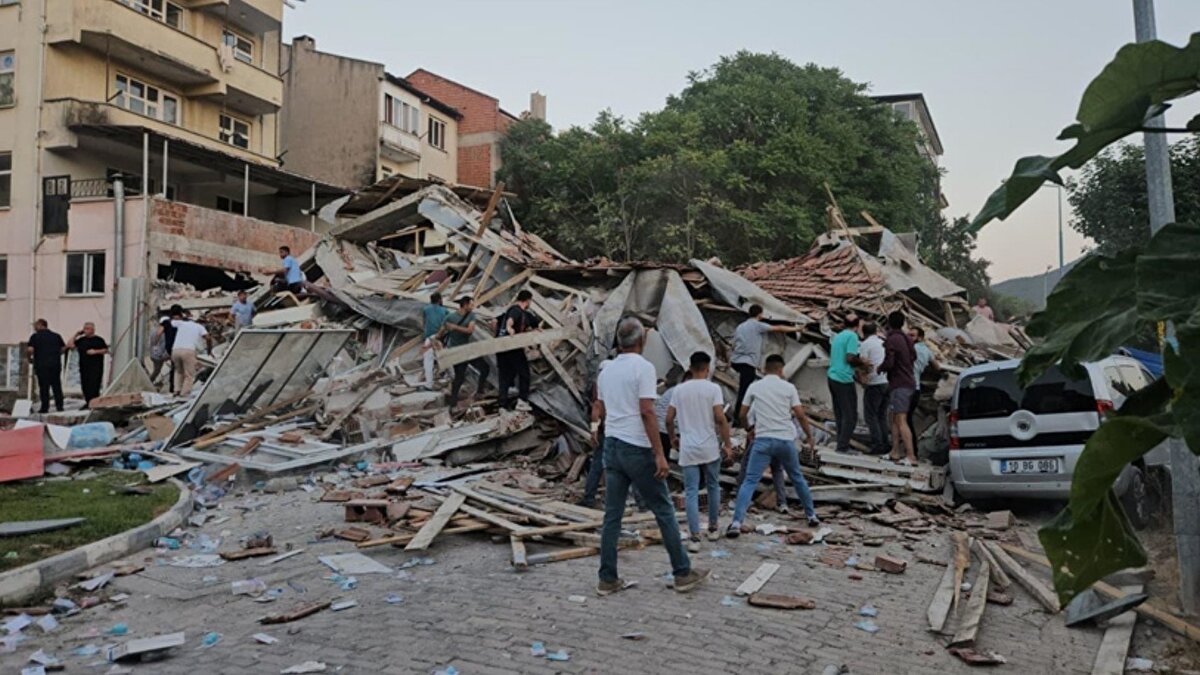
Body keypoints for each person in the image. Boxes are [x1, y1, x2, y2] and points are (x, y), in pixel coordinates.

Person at [594, 317, 708, 596]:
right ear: (641, 341)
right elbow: (647, 411)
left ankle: (607, 578)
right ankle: (682, 571)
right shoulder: (643, 368)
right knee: (663, 509)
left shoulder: (606, 371)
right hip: (637, 447)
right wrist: (659, 454)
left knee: (612, 515)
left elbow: (602, 407)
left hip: (613, 444)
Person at [728, 354, 820, 536]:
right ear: (780, 369)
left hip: (763, 440)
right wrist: (809, 436)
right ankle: (811, 515)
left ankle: (737, 522)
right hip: (785, 440)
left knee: (749, 481)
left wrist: (749, 429)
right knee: (797, 478)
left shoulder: (755, 386)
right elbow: (800, 415)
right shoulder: (788, 387)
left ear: (764, 369)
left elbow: (742, 413)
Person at [666, 352, 733, 552]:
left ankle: (694, 536)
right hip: (709, 446)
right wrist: (728, 443)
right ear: (707, 367)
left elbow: (669, 419)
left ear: (690, 366)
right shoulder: (713, 389)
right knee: (713, 486)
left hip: (688, 447)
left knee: (691, 491)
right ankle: (713, 528)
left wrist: (672, 438)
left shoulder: (679, 390)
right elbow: (720, 418)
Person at [579, 357, 649, 511]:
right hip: (622, 431)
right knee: (632, 466)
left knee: (599, 465)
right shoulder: (618, 384)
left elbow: (597, 408)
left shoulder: (602, 384)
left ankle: (590, 498)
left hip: (609, 431)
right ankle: (642, 503)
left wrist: (594, 429)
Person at [730, 304, 801, 427]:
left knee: (744, 389)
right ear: (760, 314)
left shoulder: (740, 327)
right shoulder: (757, 325)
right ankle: (739, 420)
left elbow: (733, 344)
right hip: (748, 362)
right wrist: (796, 329)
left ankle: (741, 418)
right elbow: (778, 328)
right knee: (744, 392)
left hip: (736, 361)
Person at [879, 311, 918, 466]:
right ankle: (894, 452)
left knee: (901, 420)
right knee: (894, 419)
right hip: (907, 383)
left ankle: (911, 456)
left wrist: (879, 368)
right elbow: (913, 357)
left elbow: (889, 362)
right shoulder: (906, 339)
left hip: (900, 384)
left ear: (888, 323)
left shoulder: (892, 339)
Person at [440, 296, 489, 405]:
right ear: (465, 305)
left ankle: (480, 391)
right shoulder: (450, 317)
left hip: (467, 349)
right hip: (456, 351)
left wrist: (455, 327)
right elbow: (441, 332)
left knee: (485, 368)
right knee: (460, 377)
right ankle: (453, 402)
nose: (472, 307)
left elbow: (470, 330)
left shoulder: (471, 315)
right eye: (471, 304)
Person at [827, 313, 865, 454]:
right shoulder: (852, 336)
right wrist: (863, 362)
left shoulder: (838, 336)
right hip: (843, 379)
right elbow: (850, 358)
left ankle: (840, 443)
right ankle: (842, 447)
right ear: (857, 325)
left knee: (840, 414)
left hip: (832, 376)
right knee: (850, 416)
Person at [496, 290, 536, 411]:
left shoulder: (519, 312)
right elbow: (510, 321)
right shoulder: (516, 310)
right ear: (528, 300)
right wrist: (510, 328)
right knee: (524, 374)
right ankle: (522, 401)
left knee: (505, 376)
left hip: (501, 347)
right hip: (512, 347)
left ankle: (502, 405)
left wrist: (533, 331)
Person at [859, 322, 890, 455]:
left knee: (871, 415)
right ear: (876, 331)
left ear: (863, 332)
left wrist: (863, 377)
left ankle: (877, 445)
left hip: (875, 383)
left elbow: (864, 363)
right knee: (882, 415)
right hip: (887, 381)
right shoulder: (882, 342)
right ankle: (886, 443)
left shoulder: (865, 344)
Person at [907, 326, 939, 443]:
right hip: (916, 389)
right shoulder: (927, 350)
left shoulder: (910, 349)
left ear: (919, 338)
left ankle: (909, 447)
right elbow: (937, 367)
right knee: (907, 420)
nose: (909, 338)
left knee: (902, 420)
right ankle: (912, 447)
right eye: (908, 335)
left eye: (912, 335)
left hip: (907, 388)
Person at [170, 308, 211, 397]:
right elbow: (208, 338)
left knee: (178, 371)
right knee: (189, 375)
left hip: (175, 350)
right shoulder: (199, 327)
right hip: (188, 351)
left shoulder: (181, 323)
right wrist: (209, 350)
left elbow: (172, 322)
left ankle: (176, 391)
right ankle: (184, 394)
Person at [27, 319, 65, 414]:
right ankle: (59, 406)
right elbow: (63, 348)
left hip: (41, 365)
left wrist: (29, 359)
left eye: (35, 326)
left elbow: (30, 350)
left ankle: (45, 408)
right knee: (56, 386)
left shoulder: (35, 337)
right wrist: (55, 354)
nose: (35, 328)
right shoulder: (56, 336)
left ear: (41, 325)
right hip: (55, 365)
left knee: (44, 387)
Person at [67, 323, 108, 406]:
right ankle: (88, 402)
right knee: (85, 386)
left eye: (88, 329)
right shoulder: (82, 340)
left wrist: (95, 352)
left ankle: (94, 402)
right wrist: (76, 334)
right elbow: (70, 345)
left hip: (95, 367)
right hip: (84, 366)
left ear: (93, 330)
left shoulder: (98, 340)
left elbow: (105, 350)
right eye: (85, 328)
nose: (86, 330)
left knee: (94, 385)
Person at [421, 292, 449, 389]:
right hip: (441, 337)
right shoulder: (445, 310)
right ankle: (447, 378)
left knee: (428, 360)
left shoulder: (426, 309)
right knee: (443, 358)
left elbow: (424, 323)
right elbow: (447, 325)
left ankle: (429, 384)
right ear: (440, 300)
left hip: (429, 338)